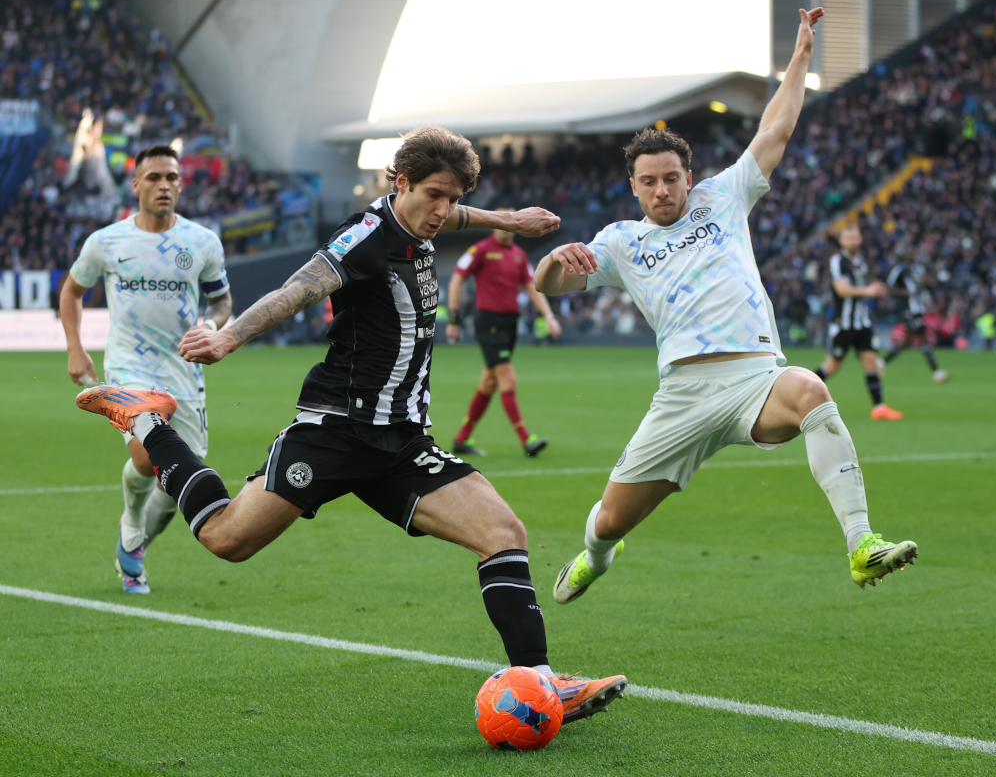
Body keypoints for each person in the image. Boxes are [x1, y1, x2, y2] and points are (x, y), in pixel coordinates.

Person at [75, 127, 627, 720]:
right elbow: (297, 289)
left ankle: (542, 683)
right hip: (335, 430)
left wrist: (506, 219)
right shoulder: (364, 236)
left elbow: (455, 209)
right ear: (400, 182)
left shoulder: (427, 216)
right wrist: (230, 335)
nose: (442, 211)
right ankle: (150, 425)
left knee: (504, 533)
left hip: (402, 443)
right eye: (433, 195)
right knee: (225, 538)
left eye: (452, 197)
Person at [533, 8, 917, 604]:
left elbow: (776, 129)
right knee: (610, 521)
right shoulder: (619, 242)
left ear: (689, 176)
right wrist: (557, 260)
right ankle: (595, 558)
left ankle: (862, 546)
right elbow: (547, 286)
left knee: (813, 390)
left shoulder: (725, 197)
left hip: (755, 378)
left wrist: (802, 57)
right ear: (633, 186)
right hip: (682, 395)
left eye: (671, 178)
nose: (662, 190)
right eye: (649, 182)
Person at [60, 144, 232, 594]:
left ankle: (132, 543)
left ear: (180, 184)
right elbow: (71, 292)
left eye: (171, 177)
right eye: (153, 177)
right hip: (128, 369)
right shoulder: (106, 241)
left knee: (178, 478)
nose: (164, 185)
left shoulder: (202, 242)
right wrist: (75, 348)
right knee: (148, 451)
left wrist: (211, 326)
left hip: (183, 372)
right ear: (135, 185)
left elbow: (221, 300)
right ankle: (132, 520)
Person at [446, 209, 562, 457]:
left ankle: (461, 439)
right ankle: (526, 439)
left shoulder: (520, 256)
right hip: (489, 323)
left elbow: (532, 287)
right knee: (508, 378)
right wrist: (453, 319)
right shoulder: (480, 250)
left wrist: (549, 316)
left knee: (489, 383)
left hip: (509, 325)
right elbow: (456, 280)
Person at [812, 224, 903, 419]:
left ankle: (879, 407)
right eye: (848, 237)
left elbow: (861, 288)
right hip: (843, 325)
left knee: (871, 362)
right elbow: (841, 290)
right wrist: (868, 291)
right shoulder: (838, 261)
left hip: (862, 323)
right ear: (842, 241)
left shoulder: (862, 262)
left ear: (860, 239)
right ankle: (801, 391)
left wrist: (874, 289)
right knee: (832, 366)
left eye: (855, 237)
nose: (852, 241)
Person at [880, 253, 948, 383]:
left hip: (919, 309)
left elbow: (928, 285)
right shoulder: (899, 269)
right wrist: (902, 293)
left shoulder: (918, 268)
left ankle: (881, 363)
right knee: (924, 338)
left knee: (905, 344)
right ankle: (936, 372)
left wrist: (929, 281)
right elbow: (889, 287)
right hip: (909, 310)